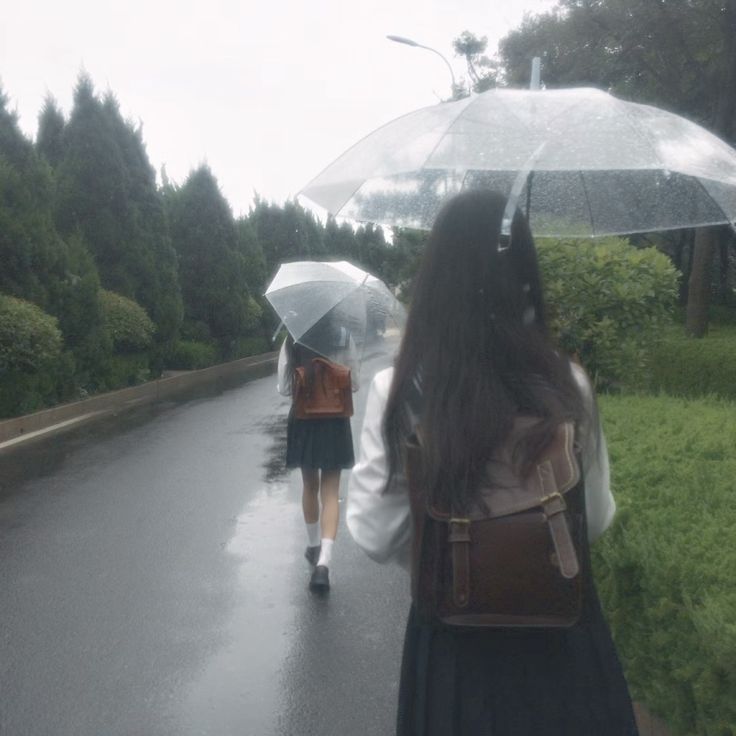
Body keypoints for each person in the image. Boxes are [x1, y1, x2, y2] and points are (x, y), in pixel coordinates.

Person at [346, 190, 638, 735]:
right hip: (564, 646)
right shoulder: (566, 382)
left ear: (435, 281)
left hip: (456, 659)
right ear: (524, 275)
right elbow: (593, 520)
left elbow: (372, 534)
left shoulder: (402, 391)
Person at [278, 317, 359, 593]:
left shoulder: (293, 337)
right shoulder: (344, 335)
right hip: (335, 419)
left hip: (303, 418)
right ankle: (324, 562)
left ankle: (313, 546)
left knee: (309, 486)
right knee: (331, 491)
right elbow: (355, 382)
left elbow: (284, 387)